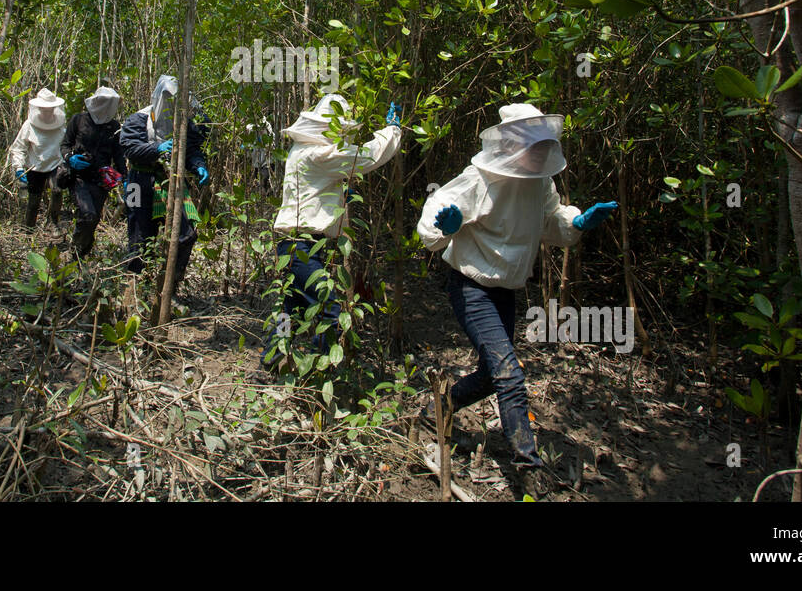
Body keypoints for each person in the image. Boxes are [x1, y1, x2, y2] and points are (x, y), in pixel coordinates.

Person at [416, 102, 617, 498]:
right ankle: (529, 467)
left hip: (507, 288)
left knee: (495, 374)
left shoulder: (540, 182)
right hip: (470, 284)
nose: (541, 151)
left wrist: (575, 221)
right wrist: (447, 224)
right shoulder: (480, 178)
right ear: (511, 143)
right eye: (534, 144)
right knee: (510, 371)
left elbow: (550, 219)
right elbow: (435, 213)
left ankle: (439, 407)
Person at [264, 95, 402, 366]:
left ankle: (274, 356)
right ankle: (319, 368)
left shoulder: (300, 151)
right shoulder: (318, 154)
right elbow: (365, 157)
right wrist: (392, 131)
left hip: (291, 244)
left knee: (289, 307)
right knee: (331, 310)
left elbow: (320, 185)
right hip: (301, 245)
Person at [120, 75, 210, 295]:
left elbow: (192, 150)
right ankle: (135, 292)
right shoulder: (138, 119)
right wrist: (157, 149)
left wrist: (198, 165)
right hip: (137, 182)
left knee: (187, 234)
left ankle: (168, 288)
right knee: (138, 237)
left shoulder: (185, 124)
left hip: (171, 181)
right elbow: (129, 149)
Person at [55, 86, 126, 258]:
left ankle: (83, 254)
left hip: (101, 180)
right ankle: (74, 254)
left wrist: (125, 177)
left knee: (93, 220)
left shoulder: (114, 126)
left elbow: (118, 155)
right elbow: (64, 144)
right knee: (87, 214)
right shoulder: (78, 120)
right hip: (78, 176)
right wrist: (70, 157)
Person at [8, 88, 68, 230]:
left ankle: (53, 223)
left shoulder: (60, 125)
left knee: (57, 191)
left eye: (50, 109)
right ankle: (28, 228)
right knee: (34, 200)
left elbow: (65, 145)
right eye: (44, 109)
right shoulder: (29, 125)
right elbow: (18, 148)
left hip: (55, 164)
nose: (47, 112)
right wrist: (19, 168)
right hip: (34, 166)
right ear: (39, 108)